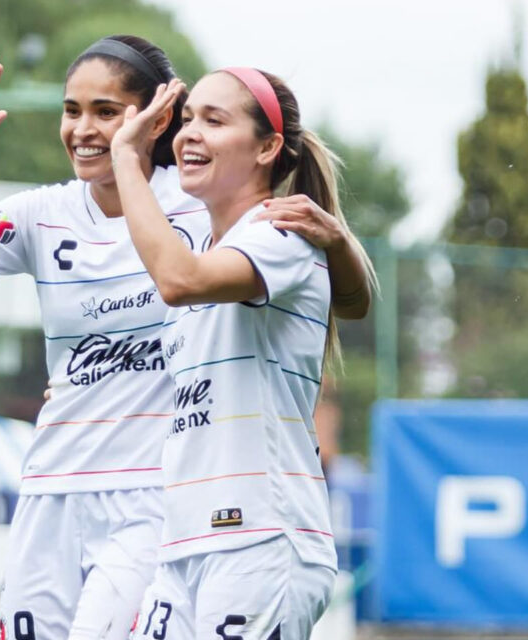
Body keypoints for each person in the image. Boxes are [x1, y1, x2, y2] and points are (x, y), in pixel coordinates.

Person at [0, 38, 373, 640]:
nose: (85, 129)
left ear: (152, 118)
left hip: (162, 500)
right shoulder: (43, 214)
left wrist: (340, 242)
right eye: (72, 110)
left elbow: (332, 298)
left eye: (106, 111)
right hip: (55, 491)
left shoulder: (205, 206)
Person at [111, 70, 374, 640]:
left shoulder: (276, 234)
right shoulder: (214, 248)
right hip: (186, 545)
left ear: (267, 148)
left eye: (214, 119)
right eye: (186, 120)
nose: (189, 135)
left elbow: (177, 280)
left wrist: (126, 163)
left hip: (259, 539)